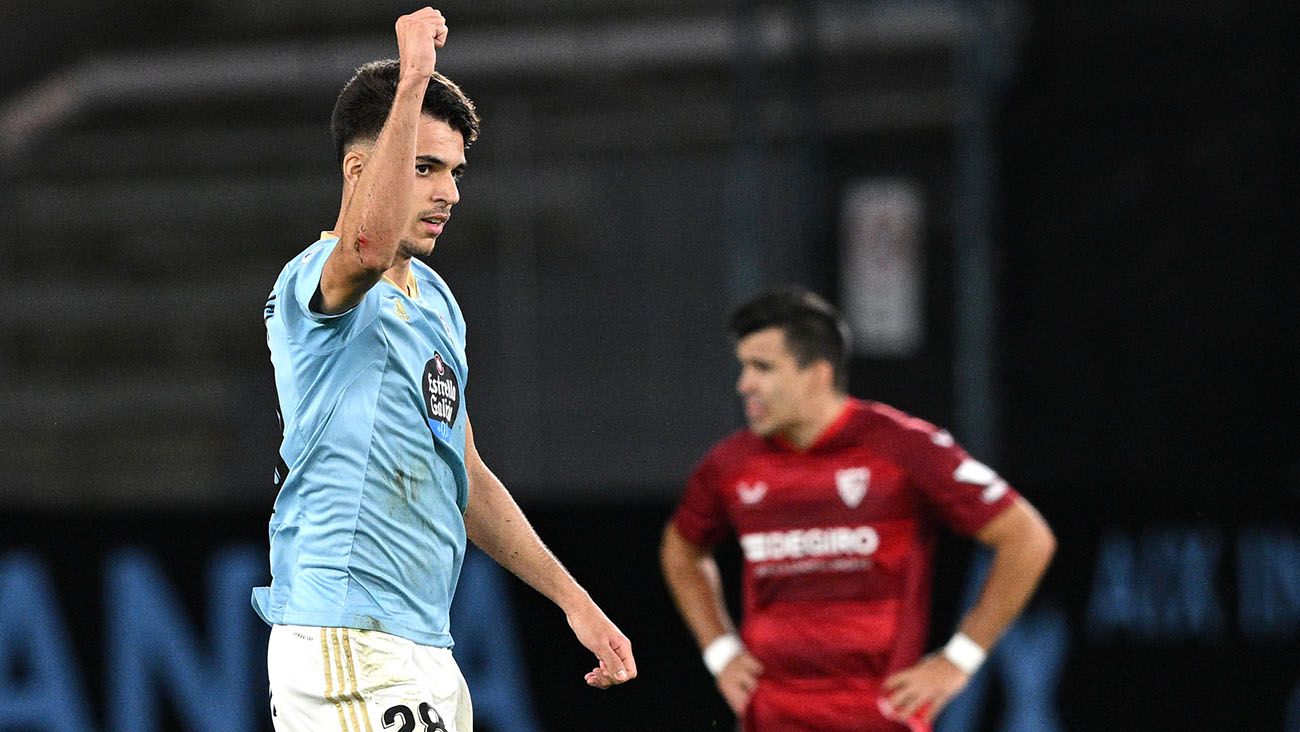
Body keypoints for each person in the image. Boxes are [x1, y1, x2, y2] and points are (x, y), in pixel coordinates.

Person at [252, 9, 636, 731]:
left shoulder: (436, 302)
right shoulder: (317, 279)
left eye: (455, 172)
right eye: (424, 168)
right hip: (346, 636)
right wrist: (412, 81)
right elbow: (365, 248)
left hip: (421, 641)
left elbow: (465, 475)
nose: (449, 193)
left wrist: (573, 600)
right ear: (359, 170)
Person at [659, 285, 1054, 732]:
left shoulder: (905, 447)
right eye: (744, 366)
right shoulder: (731, 464)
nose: (744, 384)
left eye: (762, 367)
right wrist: (721, 652)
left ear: (817, 374)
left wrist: (959, 660)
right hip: (770, 721)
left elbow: (1027, 537)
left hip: (879, 720)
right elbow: (681, 549)